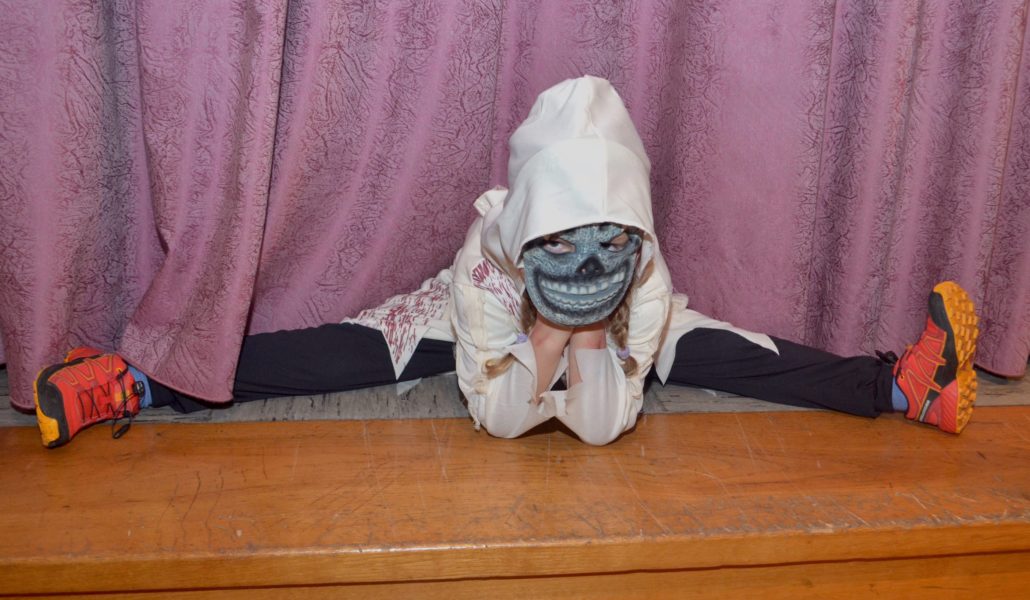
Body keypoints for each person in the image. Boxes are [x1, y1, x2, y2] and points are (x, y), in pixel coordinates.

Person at [33, 76, 979, 449]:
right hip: (474, 322)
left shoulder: (643, 275)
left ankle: (902, 387)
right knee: (328, 354)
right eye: (566, 239)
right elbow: (500, 419)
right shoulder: (482, 266)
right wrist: (545, 334)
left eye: (608, 238)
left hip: (620, 331)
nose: (589, 256)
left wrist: (594, 334)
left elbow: (601, 432)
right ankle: (135, 381)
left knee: (739, 353)